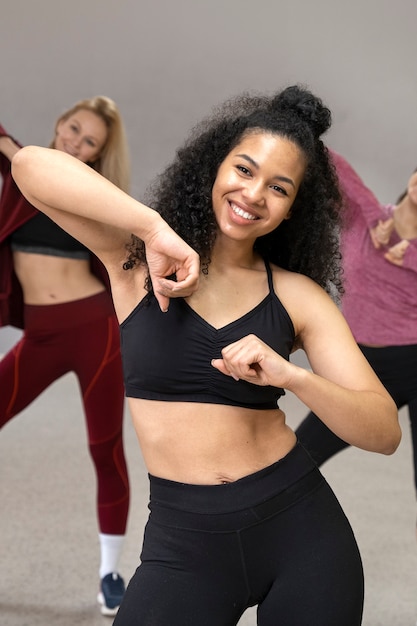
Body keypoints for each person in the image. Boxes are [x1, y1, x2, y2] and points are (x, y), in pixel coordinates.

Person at [12, 85, 401, 626]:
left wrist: (292, 376)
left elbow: (383, 432)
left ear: (293, 210)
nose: (254, 194)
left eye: (279, 188)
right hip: (184, 542)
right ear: (215, 167)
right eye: (243, 169)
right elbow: (31, 166)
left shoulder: (297, 296)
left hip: (301, 531)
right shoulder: (137, 262)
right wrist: (152, 228)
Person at [0, 96, 131, 616]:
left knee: (105, 449)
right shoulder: (21, 171)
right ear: (59, 123)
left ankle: (109, 572)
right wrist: (13, 150)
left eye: (89, 142)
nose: (76, 142)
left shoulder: (93, 195)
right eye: (73, 129)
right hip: (41, 335)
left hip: (95, 331)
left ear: (98, 156)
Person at [295, 152, 417, 503]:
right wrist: (302, 117)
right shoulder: (363, 217)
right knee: (297, 459)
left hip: (413, 361)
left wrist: (405, 253)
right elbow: (325, 162)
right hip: (360, 366)